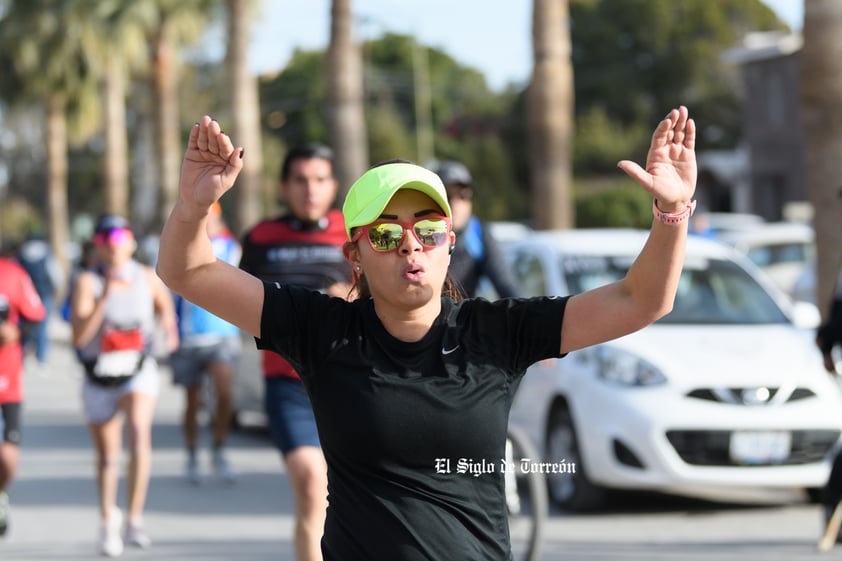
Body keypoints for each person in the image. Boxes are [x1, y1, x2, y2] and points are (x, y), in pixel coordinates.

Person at [157, 106, 697, 560]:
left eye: (429, 230)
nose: (411, 246)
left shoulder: (498, 332)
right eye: (387, 234)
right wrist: (194, 205)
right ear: (356, 257)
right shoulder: (323, 330)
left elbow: (641, 299)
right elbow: (189, 271)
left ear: (450, 245)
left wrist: (672, 211)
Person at [238, 142, 351, 561]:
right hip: (289, 386)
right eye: (300, 180)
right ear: (284, 187)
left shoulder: (355, 231)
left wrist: (355, 296)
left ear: (333, 185)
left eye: (320, 180)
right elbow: (239, 303)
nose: (310, 189)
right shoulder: (262, 239)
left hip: (351, 381)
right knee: (311, 484)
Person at [70, 214, 179, 557]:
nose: (114, 244)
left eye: (120, 236)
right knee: (108, 457)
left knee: (138, 432)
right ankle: (108, 521)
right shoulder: (88, 282)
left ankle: (134, 518)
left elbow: (166, 311)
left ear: (131, 243)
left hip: (137, 368)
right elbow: (79, 337)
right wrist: (105, 299)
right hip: (99, 373)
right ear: (98, 246)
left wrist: (169, 330)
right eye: (106, 238)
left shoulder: (147, 277)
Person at [170, 201, 241, 485]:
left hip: (223, 334)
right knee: (192, 400)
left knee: (224, 393)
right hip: (190, 335)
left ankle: (219, 448)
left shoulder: (230, 247)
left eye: (211, 218)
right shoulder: (183, 244)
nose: (207, 222)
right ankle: (191, 453)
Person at [0, 255, 46, 538]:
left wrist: (15, 331)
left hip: (7, 381)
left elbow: (35, 317)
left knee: (8, 459)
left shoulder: (12, 273)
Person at [431, 160, 521, 298]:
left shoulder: (478, 233)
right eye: (448, 196)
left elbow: (507, 287)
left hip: (461, 317)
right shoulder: (421, 233)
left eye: (463, 196)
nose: (455, 203)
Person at [17, 233, 63, 364]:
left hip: (25, 297)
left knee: (26, 327)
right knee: (42, 327)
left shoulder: (22, 254)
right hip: (44, 294)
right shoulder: (46, 254)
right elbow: (56, 276)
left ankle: (24, 355)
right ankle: (42, 358)